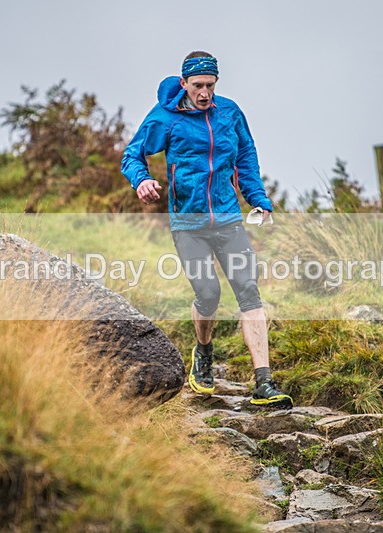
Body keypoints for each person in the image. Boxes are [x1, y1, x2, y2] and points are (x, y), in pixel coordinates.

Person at [121, 51, 292, 408]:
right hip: (189, 224)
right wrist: (142, 181)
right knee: (209, 294)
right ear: (183, 83)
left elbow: (245, 156)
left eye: (210, 86)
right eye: (198, 85)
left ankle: (264, 382)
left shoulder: (229, 113)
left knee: (249, 291)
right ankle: (203, 352)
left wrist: (258, 199)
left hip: (228, 219)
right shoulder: (166, 117)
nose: (204, 93)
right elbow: (132, 155)